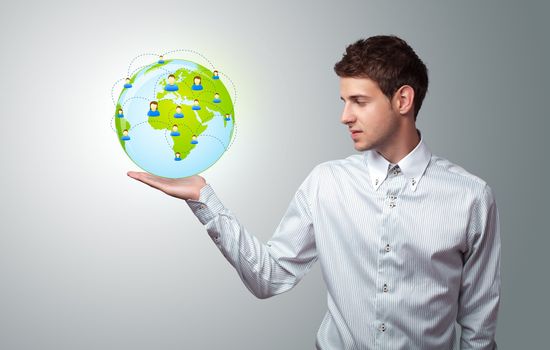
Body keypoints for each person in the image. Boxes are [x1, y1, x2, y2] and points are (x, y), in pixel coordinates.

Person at [127, 35, 501, 350]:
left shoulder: (470, 197)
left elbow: (479, 328)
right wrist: (202, 197)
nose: (345, 116)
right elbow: (270, 277)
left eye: (359, 101)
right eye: (344, 101)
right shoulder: (326, 183)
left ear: (403, 100)